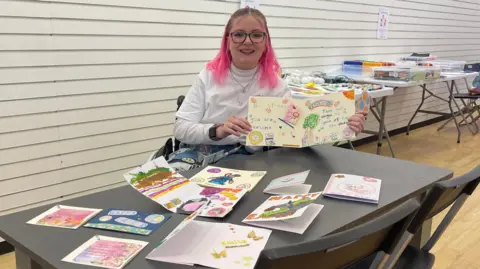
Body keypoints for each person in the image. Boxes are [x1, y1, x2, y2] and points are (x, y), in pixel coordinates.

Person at [170, 7, 366, 167]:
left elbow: (296, 135)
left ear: (266, 42)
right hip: (202, 156)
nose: (247, 41)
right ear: (227, 40)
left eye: (256, 35)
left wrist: (342, 125)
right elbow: (181, 129)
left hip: (251, 161)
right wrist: (218, 130)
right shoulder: (208, 77)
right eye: (239, 34)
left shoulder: (278, 87)